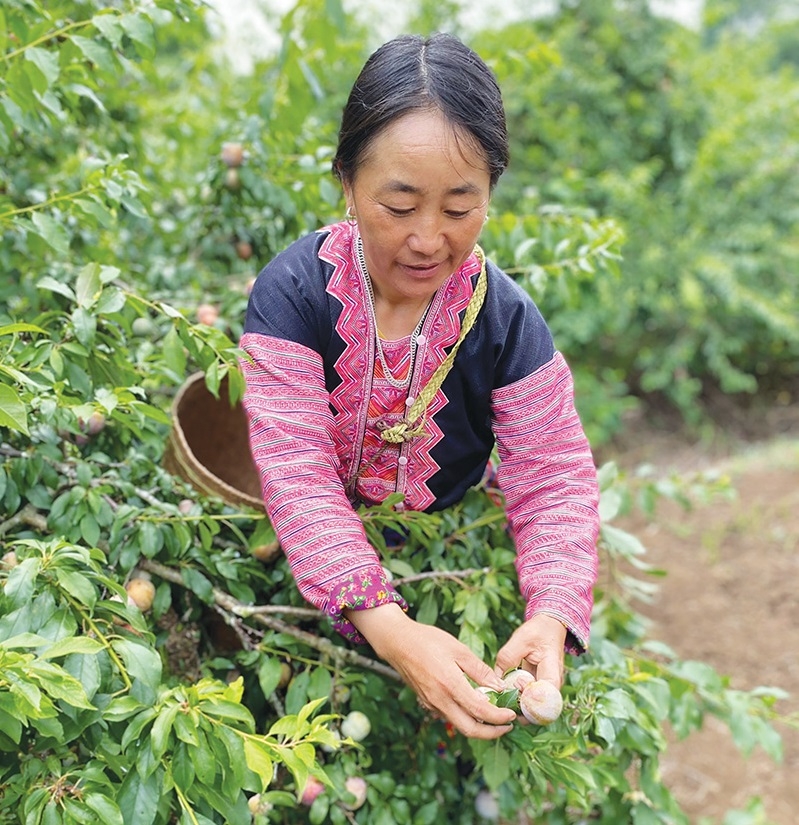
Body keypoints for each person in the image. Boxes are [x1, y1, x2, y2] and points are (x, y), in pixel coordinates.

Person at [240, 32, 599, 741]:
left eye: (459, 209)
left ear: (490, 192)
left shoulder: (505, 322)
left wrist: (552, 611)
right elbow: (297, 473)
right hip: (298, 558)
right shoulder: (292, 295)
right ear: (346, 181)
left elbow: (553, 473)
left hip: (449, 556)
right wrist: (394, 631)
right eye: (400, 207)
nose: (429, 239)